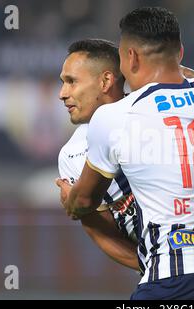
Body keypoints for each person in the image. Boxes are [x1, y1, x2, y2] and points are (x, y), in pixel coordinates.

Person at [59, 7, 194, 299]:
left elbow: (82, 202)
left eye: (70, 82)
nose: (63, 93)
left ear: (130, 58)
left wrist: (71, 203)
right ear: (181, 52)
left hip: (173, 280)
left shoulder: (116, 119)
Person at [57, 39, 142, 272]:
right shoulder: (72, 155)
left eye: (71, 82)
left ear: (105, 81)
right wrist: (155, 267)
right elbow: (102, 233)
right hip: (167, 279)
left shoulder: (155, 113)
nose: (62, 94)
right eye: (63, 83)